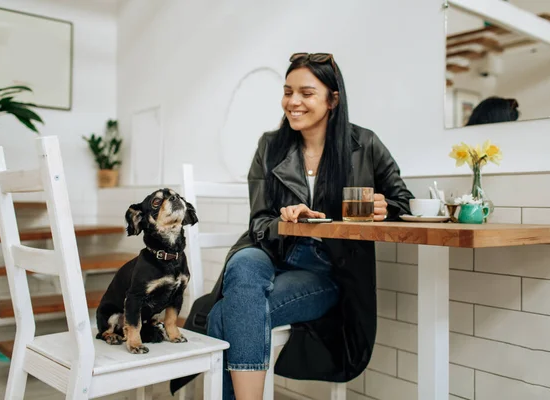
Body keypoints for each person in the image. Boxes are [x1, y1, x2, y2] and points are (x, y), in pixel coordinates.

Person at [170, 52, 413, 399]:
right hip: (270, 250)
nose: (293, 102)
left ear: (333, 100)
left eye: (306, 93)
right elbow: (259, 222)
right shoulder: (270, 146)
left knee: (228, 313)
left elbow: (404, 202)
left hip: (326, 270)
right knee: (241, 265)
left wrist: (384, 207)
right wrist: (286, 221)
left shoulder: (365, 144)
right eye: (287, 91)